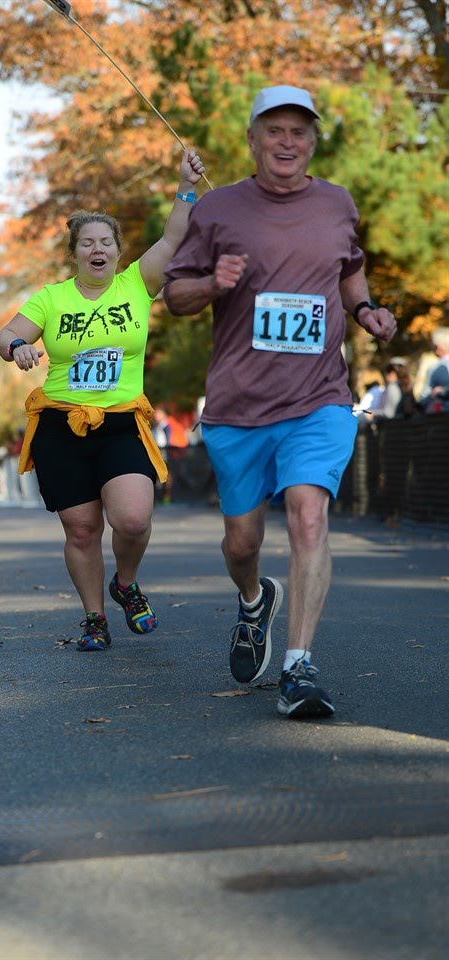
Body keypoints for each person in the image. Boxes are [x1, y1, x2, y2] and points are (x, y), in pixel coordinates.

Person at [163, 85, 397, 718]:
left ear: (313, 141)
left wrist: (366, 308)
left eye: (299, 132)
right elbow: (175, 295)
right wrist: (214, 282)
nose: (287, 143)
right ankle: (252, 599)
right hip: (239, 405)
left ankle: (299, 666)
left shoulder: (337, 204)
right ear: (252, 139)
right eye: (275, 131)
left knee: (308, 515)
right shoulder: (219, 210)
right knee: (242, 543)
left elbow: (348, 267)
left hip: (319, 397)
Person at [0, 149, 205, 651]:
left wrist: (185, 187)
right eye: (87, 242)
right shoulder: (51, 298)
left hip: (119, 421)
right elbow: (4, 335)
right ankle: (94, 618)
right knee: (83, 530)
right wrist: (19, 347)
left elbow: (175, 237)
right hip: (61, 425)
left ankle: (125, 584)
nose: (97, 248)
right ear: (75, 253)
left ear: (116, 250)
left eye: (105, 241)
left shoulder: (137, 285)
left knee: (133, 519)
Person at [419, 327, 449, 414]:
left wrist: (437, 393)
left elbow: (424, 397)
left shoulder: (435, 368)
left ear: (437, 346)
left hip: (441, 418)